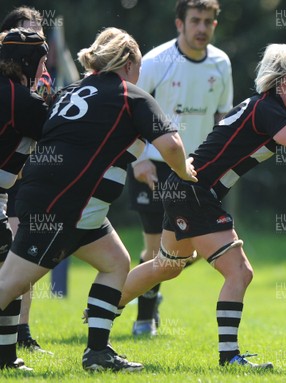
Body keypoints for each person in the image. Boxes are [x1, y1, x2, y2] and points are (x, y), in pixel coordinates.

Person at [115, 43, 286, 369]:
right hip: (195, 192)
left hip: (184, 188)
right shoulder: (268, 109)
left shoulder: (266, 106)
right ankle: (229, 357)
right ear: (285, 80)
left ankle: (101, 310)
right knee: (239, 271)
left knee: (167, 266)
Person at [0, 27, 197, 372]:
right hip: (67, 205)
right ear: (130, 62)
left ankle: (97, 353)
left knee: (115, 264)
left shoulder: (70, 90)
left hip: (64, 201)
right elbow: (172, 146)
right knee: (8, 284)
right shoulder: (131, 95)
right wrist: (185, 172)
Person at [126, 0, 233, 337]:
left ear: (215, 25)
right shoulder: (157, 61)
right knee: (155, 246)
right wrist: (139, 159)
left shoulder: (221, 63)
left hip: (197, 171)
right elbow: (129, 109)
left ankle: (151, 288)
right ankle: (144, 320)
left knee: (191, 252)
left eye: (208, 22)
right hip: (156, 165)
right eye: (195, 21)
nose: (201, 28)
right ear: (179, 24)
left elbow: (222, 118)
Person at [0, 6, 53, 354]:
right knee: (10, 273)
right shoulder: (20, 100)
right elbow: (57, 131)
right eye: (41, 61)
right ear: (25, 61)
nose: (45, 70)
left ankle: (7, 357)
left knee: (8, 270)